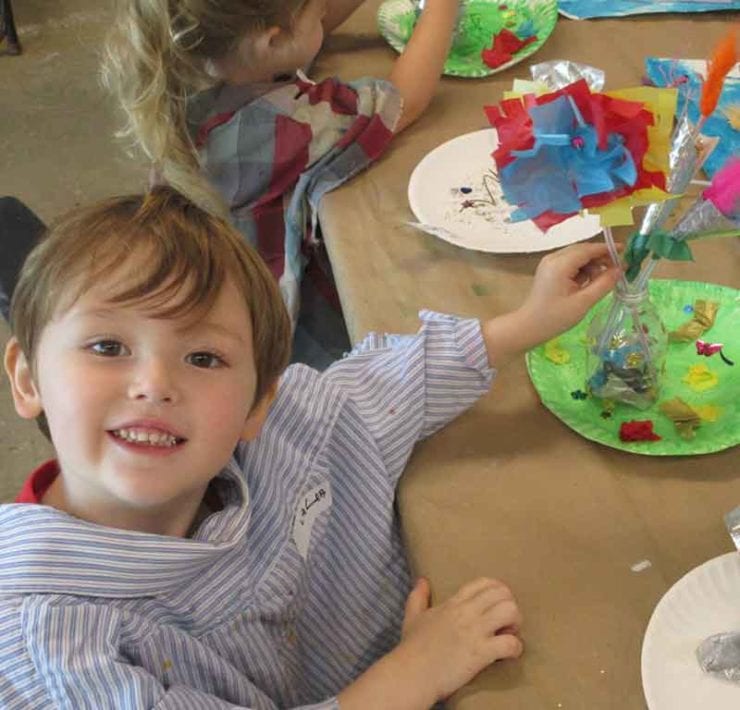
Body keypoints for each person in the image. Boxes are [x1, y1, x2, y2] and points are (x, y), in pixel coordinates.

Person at [0, 188, 621, 708]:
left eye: (203, 357)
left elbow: (375, 390)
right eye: (108, 347)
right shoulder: (60, 658)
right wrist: (414, 674)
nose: (155, 385)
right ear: (28, 378)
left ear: (256, 405)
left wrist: (526, 323)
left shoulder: (272, 439)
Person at [103, 0, 461, 365]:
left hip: (196, 282)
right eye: (319, 11)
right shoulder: (283, 123)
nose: (326, 10)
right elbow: (403, 100)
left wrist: (307, 14)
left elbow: (289, 30)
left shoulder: (195, 55)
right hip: (262, 323)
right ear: (272, 42)